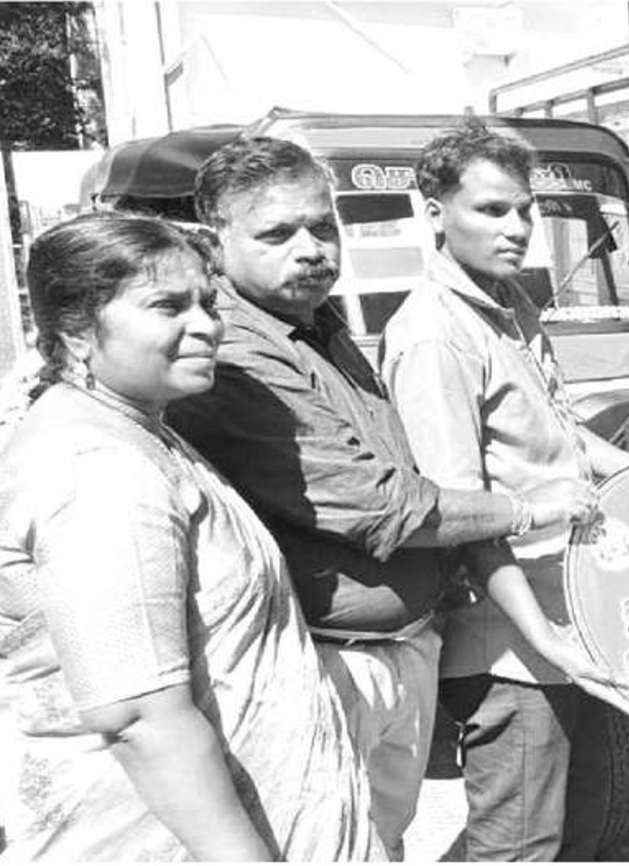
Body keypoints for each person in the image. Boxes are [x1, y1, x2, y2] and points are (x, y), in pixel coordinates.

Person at [165, 136, 593, 860]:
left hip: (398, 648)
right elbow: (381, 503)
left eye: (321, 226)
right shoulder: (238, 355)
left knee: (380, 844)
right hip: (329, 662)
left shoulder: (319, 326)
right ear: (217, 241)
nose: (310, 249)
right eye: (277, 233)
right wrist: (528, 509)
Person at [0, 213, 380, 860]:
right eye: (168, 306)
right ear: (76, 332)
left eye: (208, 304)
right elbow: (142, 721)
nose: (207, 326)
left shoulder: (137, 432)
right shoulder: (96, 471)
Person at [379, 120, 629, 861]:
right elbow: (460, 515)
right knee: (520, 845)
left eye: (524, 210)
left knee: (585, 826)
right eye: (491, 210)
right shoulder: (435, 335)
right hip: (513, 646)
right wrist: (544, 641)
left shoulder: (510, 304)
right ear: (435, 214)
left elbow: (565, 436)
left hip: (572, 608)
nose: (517, 228)